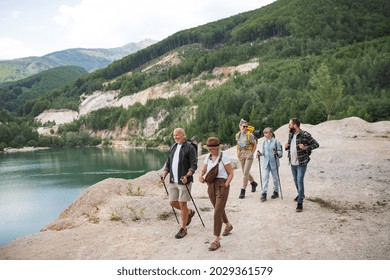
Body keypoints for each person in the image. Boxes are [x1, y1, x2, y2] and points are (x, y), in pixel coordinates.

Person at [161, 128, 198, 238]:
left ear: (183, 135)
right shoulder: (173, 146)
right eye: (174, 135)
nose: (175, 137)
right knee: (172, 202)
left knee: (182, 204)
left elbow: (193, 165)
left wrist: (187, 176)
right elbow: (168, 163)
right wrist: (164, 175)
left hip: (184, 180)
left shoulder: (190, 148)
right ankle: (189, 212)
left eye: (177, 135)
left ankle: (183, 229)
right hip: (173, 180)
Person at [198, 137, 234, 251]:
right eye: (209, 149)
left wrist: (227, 184)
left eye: (213, 149)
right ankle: (228, 225)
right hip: (211, 186)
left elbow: (231, 173)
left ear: (218, 148)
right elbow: (203, 170)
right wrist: (200, 175)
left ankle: (216, 240)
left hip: (222, 185)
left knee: (217, 212)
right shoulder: (208, 157)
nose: (211, 151)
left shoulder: (224, 157)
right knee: (219, 209)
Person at [285, 118, 319, 212]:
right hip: (292, 162)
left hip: (302, 162)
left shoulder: (305, 134)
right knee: (296, 180)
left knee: (300, 181)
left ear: (295, 125)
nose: (289, 126)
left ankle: (300, 203)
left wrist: (305, 148)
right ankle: (301, 194)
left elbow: (316, 144)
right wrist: (286, 147)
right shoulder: (291, 134)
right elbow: (290, 147)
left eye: (290, 124)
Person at [256, 127, 283, 202]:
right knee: (265, 178)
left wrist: (277, 153)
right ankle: (264, 193)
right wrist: (260, 154)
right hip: (266, 163)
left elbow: (280, 152)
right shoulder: (264, 142)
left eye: (266, 133)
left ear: (271, 133)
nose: (265, 134)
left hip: (274, 162)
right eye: (264, 133)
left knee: (275, 178)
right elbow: (264, 153)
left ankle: (276, 191)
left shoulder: (276, 142)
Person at [236, 119, 258, 198]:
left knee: (245, 173)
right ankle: (253, 183)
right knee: (244, 172)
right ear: (240, 127)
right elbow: (238, 144)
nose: (245, 128)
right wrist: (238, 153)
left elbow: (254, 144)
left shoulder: (250, 135)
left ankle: (243, 190)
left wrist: (251, 153)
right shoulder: (238, 135)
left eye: (246, 126)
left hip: (248, 153)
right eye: (243, 126)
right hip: (241, 154)